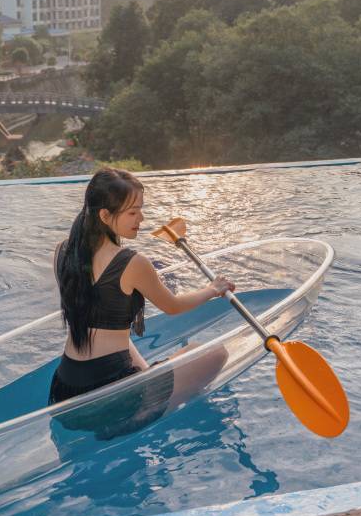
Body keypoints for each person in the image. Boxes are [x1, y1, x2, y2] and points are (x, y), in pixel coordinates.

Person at [49, 167, 234, 422]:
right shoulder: (132, 262)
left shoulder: (62, 251)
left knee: (123, 339)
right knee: (214, 352)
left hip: (65, 388)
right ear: (104, 215)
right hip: (112, 394)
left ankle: (148, 383)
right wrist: (212, 290)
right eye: (133, 212)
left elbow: (97, 308)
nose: (142, 218)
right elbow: (173, 306)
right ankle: (151, 410)